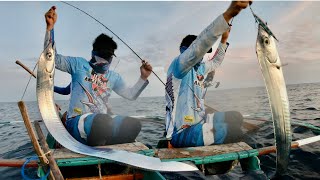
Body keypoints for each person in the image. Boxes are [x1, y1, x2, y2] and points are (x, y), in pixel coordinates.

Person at [44, 6, 153, 146]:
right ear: (93, 52)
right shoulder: (78, 64)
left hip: (102, 125)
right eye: (102, 54)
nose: (104, 60)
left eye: (108, 55)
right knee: (103, 122)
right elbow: (52, 59)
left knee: (134, 124)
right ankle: (98, 156)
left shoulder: (114, 77)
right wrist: (50, 28)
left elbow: (131, 95)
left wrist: (143, 77)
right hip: (76, 122)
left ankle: (116, 158)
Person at [165, 1, 252, 148]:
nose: (203, 55)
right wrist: (228, 14)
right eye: (202, 52)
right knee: (234, 132)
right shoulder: (178, 67)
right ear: (185, 50)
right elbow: (198, 48)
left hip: (201, 120)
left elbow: (216, 62)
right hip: (181, 132)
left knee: (236, 117)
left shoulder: (200, 69)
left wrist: (224, 40)